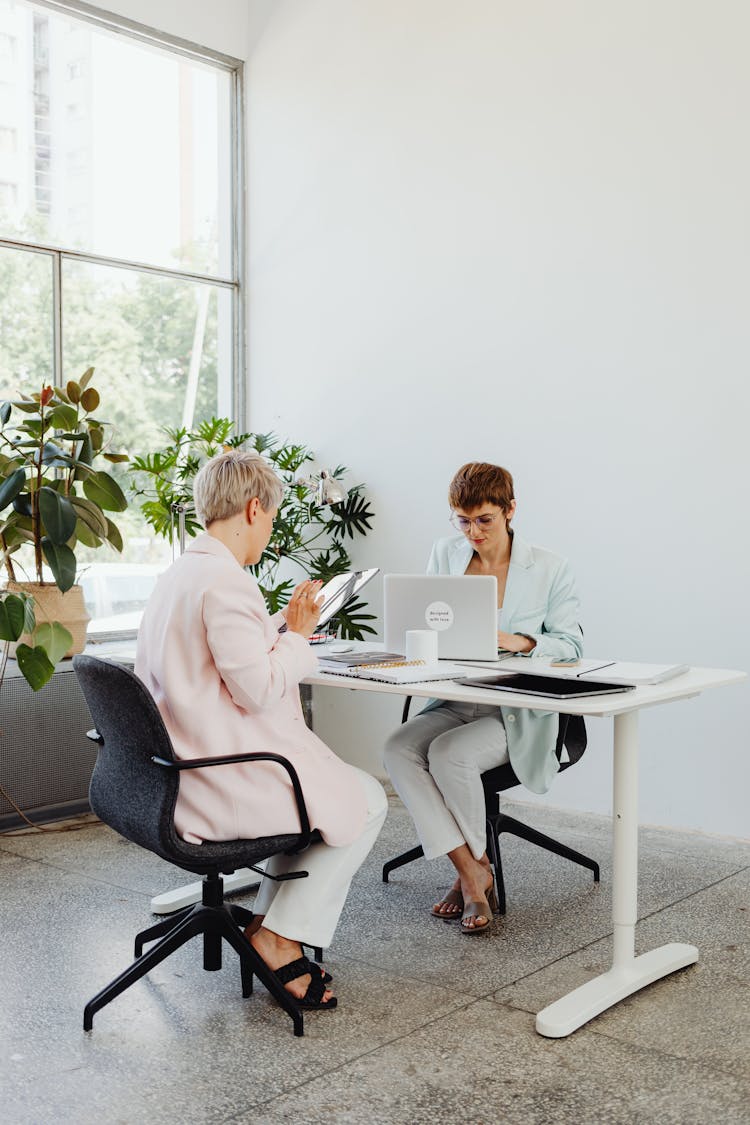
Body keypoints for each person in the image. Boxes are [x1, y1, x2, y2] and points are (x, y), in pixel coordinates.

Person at [135, 449, 388, 1010]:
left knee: (328, 794)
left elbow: (218, 661)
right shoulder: (226, 582)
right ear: (254, 509)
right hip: (215, 775)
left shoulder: (181, 573)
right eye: (271, 518)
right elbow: (256, 690)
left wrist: (278, 629)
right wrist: (297, 636)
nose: (270, 530)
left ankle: (272, 923)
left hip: (171, 771)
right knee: (366, 797)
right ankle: (276, 937)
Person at [383, 462, 582, 934]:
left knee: (449, 753)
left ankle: (468, 880)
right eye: (463, 520)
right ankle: (474, 868)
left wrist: (519, 641)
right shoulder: (446, 553)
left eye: (484, 520)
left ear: (510, 510)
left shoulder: (549, 567)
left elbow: (572, 647)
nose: (473, 531)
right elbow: (428, 623)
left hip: (515, 712)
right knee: (397, 747)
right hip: (454, 699)